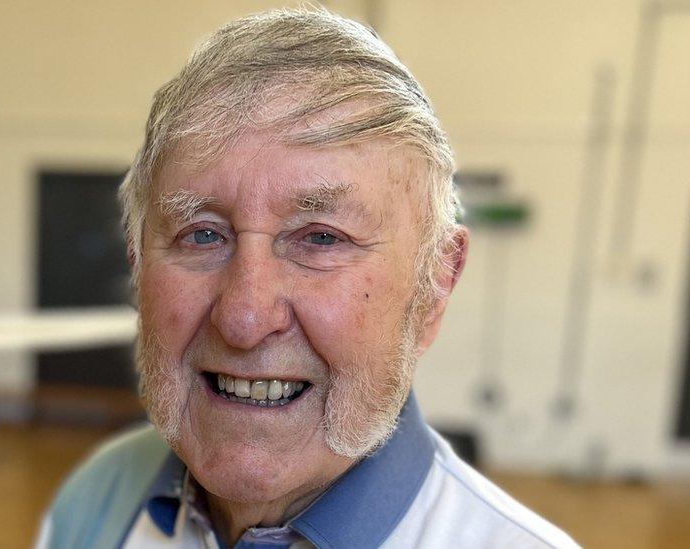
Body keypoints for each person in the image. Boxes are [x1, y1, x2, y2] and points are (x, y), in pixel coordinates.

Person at [38, 7, 578, 549]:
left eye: (321, 238)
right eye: (202, 234)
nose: (245, 318)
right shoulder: (97, 500)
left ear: (434, 286)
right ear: (137, 264)